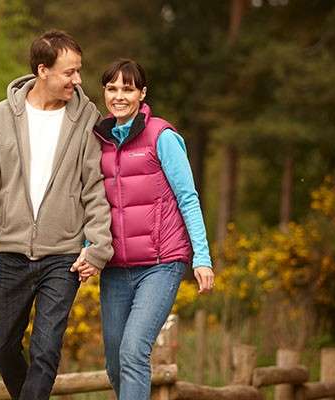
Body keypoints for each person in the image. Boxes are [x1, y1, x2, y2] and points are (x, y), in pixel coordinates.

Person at [0, 30, 113, 400]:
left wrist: (99, 245)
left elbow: (95, 187)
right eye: (69, 72)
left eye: (78, 71)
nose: (77, 80)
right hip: (12, 252)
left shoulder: (87, 118)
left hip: (64, 254)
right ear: (43, 70)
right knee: (2, 347)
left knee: (45, 351)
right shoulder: (0, 118)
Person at [78, 58, 215, 399]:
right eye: (112, 88)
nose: (119, 96)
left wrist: (202, 256)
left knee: (133, 350)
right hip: (115, 268)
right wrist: (87, 247)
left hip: (160, 264)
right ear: (104, 93)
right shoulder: (99, 139)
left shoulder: (162, 136)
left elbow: (188, 197)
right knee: (114, 361)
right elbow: (93, 202)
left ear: (142, 93)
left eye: (128, 88)